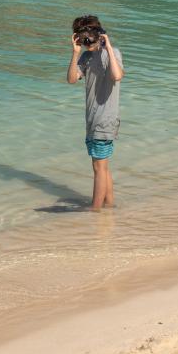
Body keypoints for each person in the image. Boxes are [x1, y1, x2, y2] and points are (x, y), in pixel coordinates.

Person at [65, 14, 125, 211]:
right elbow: (72, 79)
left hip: (105, 119)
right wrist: (75, 53)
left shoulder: (112, 53)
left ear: (99, 34)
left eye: (89, 37)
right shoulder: (85, 56)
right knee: (102, 167)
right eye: (83, 39)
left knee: (99, 168)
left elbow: (117, 76)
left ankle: (95, 209)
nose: (87, 42)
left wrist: (107, 47)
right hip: (92, 119)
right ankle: (109, 205)